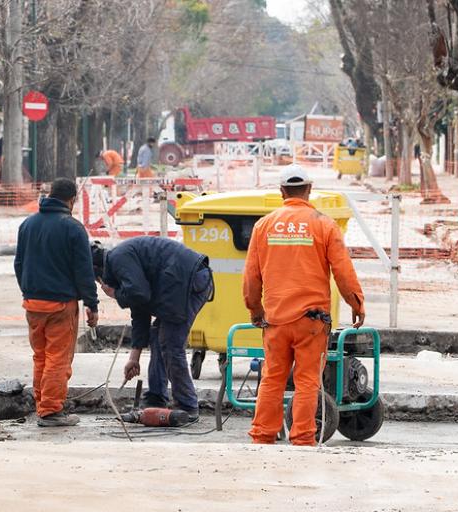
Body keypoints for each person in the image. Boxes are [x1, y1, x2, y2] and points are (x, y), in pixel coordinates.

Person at [243, 164, 365, 446]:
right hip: (312, 322)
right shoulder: (324, 224)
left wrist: (255, 309)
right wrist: (356, 303)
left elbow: (251, 276)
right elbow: (343, 271)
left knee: (272, 379)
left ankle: (262, 436)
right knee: (308, 381)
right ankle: (302, 439)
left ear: (282, 191)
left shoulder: (264, 226)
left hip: (275, 320)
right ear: (309, 190)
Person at [92, 237, 213, 420]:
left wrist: (116, 294)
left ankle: (187, 405)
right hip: (181, 281)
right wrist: (134, 358)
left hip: (186, 281)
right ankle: (156, 398)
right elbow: (140, 309)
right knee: (158, 335)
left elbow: (139, 293)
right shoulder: (121, 263)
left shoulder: (117, 259)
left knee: (170, 342)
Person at [14, 178, 99, 427]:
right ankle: (50, 411)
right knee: (57, 359)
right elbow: (84, 271)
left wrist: (28, 291)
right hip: (61, 306)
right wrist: (91, 305)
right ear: (71, 200)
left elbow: (19, 264)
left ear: (50, 194)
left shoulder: (27, 225)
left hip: (32, 304)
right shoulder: (73, 228)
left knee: (40, 357)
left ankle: (43, 404)